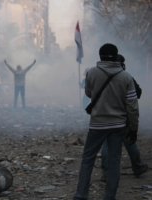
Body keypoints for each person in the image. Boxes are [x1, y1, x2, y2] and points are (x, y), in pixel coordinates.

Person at [73, 44, 139, 200]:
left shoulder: (91, 73)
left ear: (100, 56)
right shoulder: (126, 77)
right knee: (114, 163)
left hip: (97, 124)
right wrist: (134, 128)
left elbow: (89, 93)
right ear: (116, 56)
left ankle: (81, 195)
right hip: (118, 126)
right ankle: (109, 197)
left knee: (88, 159)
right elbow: (132, 106)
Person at [100, 54, 147, 182]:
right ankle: (137, 167)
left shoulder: (101, 76)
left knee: (107, 145)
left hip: (105, 117)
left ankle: (106, 172)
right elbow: (138, 93)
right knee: (130, 143)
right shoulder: (127, 78)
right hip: (122, 118)